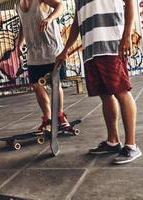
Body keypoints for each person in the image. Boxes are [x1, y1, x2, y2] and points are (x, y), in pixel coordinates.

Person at [56, 0, 141, 164]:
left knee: (121, 92)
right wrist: (66, 49)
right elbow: (77, 20)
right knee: (105, 96)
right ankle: (113, 141)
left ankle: (132, 146)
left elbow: (130, 2)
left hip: (111, 44)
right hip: (90, 49)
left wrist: (127, 36)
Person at [16, 0, 70, 132]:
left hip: (52, 50)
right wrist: (19, 43)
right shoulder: (17, 4)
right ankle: (48, 119)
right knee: (36, 85)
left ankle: (60, 116)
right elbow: (23, 23)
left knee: (54, 83)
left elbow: (60, 5)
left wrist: (50, 18)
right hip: (33, 53)